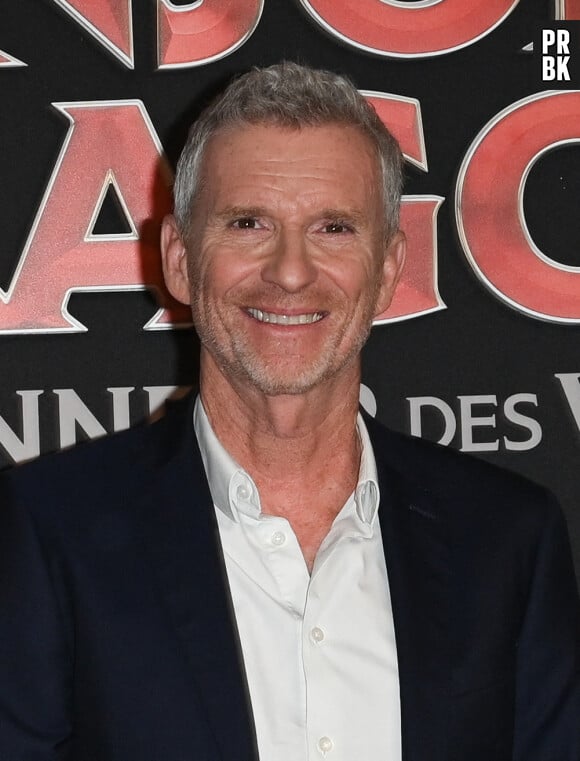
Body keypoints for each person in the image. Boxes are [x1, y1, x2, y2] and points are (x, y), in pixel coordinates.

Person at [0, 62, 578, 761]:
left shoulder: (507, 539)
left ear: (390, 268)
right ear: (180, 259)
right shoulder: (46, 531)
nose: (291, 271)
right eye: (248, 222)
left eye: (334, 227)